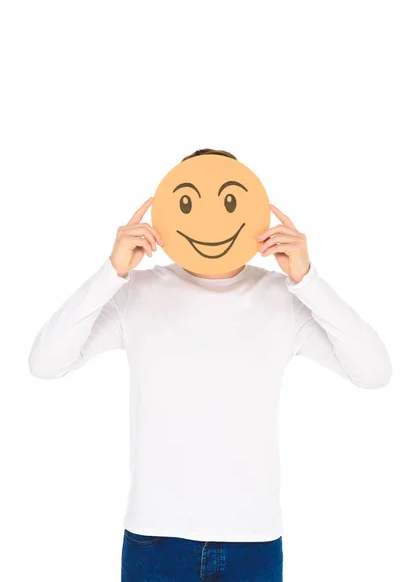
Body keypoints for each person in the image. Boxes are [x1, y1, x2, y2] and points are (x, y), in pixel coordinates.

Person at [28, 148, 392, 582]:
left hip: (253, 543)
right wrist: (112, 270)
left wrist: (307, 278)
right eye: (188, 204)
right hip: (154, 541)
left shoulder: (281, 297)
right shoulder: (137, 293)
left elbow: (374, 372)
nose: (210, 221)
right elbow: (45, 362)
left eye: (229, 202)